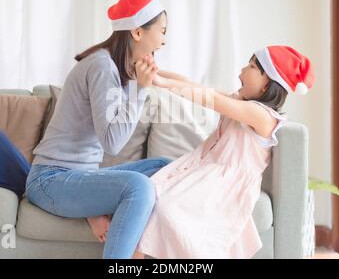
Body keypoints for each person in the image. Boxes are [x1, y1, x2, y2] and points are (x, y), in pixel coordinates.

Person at [25, 0, 171, 259]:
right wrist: (140, 90)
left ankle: (122, 230)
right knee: (138, 186)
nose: (164, 41)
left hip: (79, 177)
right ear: (138, 32)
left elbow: (166, 80)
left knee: (165, 168)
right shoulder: (103, 67)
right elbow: (112, 143)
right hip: (50, 180)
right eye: (162, 31)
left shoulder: (120, 68)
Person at [135, 45, 315, 258]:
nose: (242, 71)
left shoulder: (263, 116)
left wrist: (161, 83)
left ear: (267, 82)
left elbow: (212, 100)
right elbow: (195, 86)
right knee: (147, 200)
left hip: (226, 185)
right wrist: (156, 72)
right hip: (206, 170)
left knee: (166, 209)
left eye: (251, 66)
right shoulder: (241, 102)